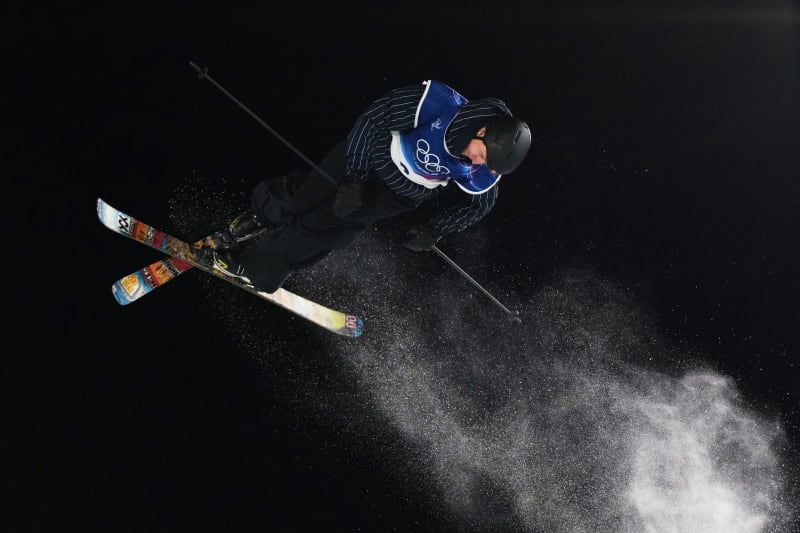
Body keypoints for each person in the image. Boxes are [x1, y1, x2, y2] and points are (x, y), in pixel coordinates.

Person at [202, 79, 532, 293]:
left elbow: (479, 205)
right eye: (481, 157)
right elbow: (376, 118)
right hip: (369, 155)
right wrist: (355, 177)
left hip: (395, 193)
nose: (477, 165)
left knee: (328, 226)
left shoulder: (484, 170)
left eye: (485, 166)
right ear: (482, 132)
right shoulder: (437, 103)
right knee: (308, 195)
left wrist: (436, 229)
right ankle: (253, 222)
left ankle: (256, 269)